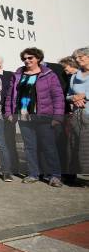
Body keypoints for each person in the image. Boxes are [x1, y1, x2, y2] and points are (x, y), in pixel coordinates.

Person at [5, 47, 65, 187]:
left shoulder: (49, 75)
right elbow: (10, 96)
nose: (27, 60)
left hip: (44, 117)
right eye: (25, 58)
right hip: (24, 116)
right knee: (29, 147)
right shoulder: (18, 75)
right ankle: (33, 174)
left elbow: (58, 96)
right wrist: (9, 113)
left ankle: (55, 175)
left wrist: (57, 116)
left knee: (48, 147)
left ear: (38, 58)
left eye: (30, 58)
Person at [66, 47, 89, 178]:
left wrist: (84, 95)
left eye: (81, 57)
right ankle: (75, 175)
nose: (78, 60)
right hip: (77, 115)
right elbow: (68, 95)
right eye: (76, 58)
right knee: (75, 144)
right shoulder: (74, 76)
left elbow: (83, 94)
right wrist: (74, 98)